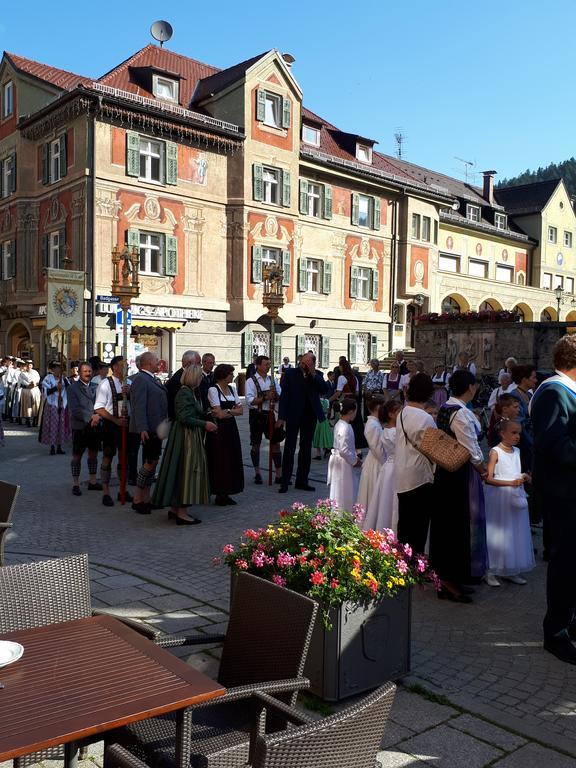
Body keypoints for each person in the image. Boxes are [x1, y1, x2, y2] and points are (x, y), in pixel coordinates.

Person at [531, 335, 576, 664]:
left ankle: (570, 623)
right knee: (564, 563)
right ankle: (556, 632)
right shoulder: (554, 392)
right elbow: (554, 444)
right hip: (564, 494)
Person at [429, 370, 488, 603]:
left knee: (450, 525)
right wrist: (483, 469)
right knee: (456, 526)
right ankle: (449, 581)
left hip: (447, 472)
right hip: (458, 475)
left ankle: (451, 578)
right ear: (471, 387)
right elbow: (471, 448)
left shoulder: (447, 407)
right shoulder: (460, 414)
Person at [153, 364, 217, 525]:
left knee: (179, 470)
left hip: (187, 435)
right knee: (186, 471)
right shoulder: (185, 393)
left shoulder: (189, 392)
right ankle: (182, 513)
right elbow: (184, 417)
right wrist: (205, 424)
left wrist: (206, 413)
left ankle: (175, 510)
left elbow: (189, 412)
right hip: (186, 437)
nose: (202, 379)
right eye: (200, 377)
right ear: (194, 377)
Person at [483, 419, 535, 587]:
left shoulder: (517, 451)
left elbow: (513, 471)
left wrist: (523, 476)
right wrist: (509, 483)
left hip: (515, 496)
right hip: (499, 498)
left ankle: (511, 569)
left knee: (514, 532)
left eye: (519, 433)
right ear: (502, 433)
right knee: (498, 533)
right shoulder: (495, 451)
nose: (517, 436)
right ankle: (492, 570)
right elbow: (489, 478)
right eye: (513, 433)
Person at [395, 373, 437, 554]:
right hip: (420, 476)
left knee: (404, 524)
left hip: (402, 474)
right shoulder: (425, 418)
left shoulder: (402, 413)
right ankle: (415, 568)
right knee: (419, 527)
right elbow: (435, 449)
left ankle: (402, 565)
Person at [278, 352, 329, 493]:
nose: (303, 364)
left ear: (312, 364)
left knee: (306, 449)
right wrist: (281, 417)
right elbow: (284, 396)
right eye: (302, 361)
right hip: (293, 415)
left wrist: (313, 374)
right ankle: (285, 481)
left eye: (307, 362)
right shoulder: (290, 373)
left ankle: (302, 480)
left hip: (310, 416)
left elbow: (325, 390)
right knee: (289, 448)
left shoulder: (317, 374)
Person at [129, 352, 168, 515]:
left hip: (156, 427)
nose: (158, 363)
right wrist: (142, 428)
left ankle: (146, 498)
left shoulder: (151, 378)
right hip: (149, 429)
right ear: (147, 363)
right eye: (155, 361)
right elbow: (138, 406)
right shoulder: (140, 379)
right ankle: (137, 498)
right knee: (150, 462)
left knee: (152, 461)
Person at [94, 355, 132, 507]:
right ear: (115, 367)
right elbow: (99, 407)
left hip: (127, 425)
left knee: (125, 459)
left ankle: (123, 490)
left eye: (127, 366)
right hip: (111, 425)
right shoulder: (105, 384)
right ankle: (106, 492)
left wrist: (130, 394)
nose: (125, 368)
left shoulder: (129, 383)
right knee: (108, 457)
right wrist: (115, 420)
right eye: (123, 365)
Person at [206, 363, 244, 506]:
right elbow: (218, 414)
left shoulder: (232, 389)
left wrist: (227, 411)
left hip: (231, 428)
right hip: (219, 429)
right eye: (230, 374)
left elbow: (240, 411)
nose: (232, 376)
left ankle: (228, 491)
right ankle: (219, 492)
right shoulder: (213, 390)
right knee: (220, 459)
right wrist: (230, 411)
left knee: (231, 458)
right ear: (223, 375)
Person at [363, 399, 402, 533]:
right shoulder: (390, 431)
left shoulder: (387, 429)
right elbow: (378, 449)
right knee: (387, 501)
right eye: (399, 411)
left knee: (386, 499)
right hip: (388, 465)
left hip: (388, 465)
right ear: (391, 414)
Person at [245, 355, 282, 485]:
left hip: (271, 414)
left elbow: (279, 396)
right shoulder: (251, 381)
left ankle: (278, 474)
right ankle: (257, 473)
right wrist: (266, 397)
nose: (268, 367)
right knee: (256, 444)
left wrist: (275, 395)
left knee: (276, 443)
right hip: (257, 415)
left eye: (269, 364)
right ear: (258, 365)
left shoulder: (272, 380)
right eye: (266, 364)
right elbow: (250, 402)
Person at [68, 362, 102, 496]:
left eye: (89, 371)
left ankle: (92, 482)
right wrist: (91, 418)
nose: (88, 373)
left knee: (93, 454)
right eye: (85, 371)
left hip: (95, 426)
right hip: (80, 427)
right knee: (77, 456)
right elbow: (75, 409)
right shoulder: (72, 388)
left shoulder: (97, 386)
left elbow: (102, 403)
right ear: (80, 373)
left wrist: (98, 416)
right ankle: (76, 484)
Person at [328, 398, 362, 511]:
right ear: (350, 412)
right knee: (344, 489)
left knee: (342, 487)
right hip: (344, 463)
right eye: (356, 410)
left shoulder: (341, 424)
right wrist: (355, 460)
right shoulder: (344, 427)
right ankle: (343, 513)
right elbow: (343, 449)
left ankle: (341, 512)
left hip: (341, 460)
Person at [330, 357, 365, 453]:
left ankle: (344, 447)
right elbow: (357, 392)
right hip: (354, 402)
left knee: (344, 424)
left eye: (340, 366)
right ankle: (358, 451)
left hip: (345, 402)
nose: (339, 368)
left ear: (342, 367)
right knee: (356, 424)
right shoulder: (355, 378)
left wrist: (329, 400)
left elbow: (338, 392)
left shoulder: (341, 377)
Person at [356, 395, 386, 510]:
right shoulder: (373, 425)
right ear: (378, 409)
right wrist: (385, 463)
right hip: (376, 462)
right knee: (373, 490)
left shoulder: (375, 423)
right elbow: (377, 448)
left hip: (375, 460)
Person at [508, 364, 537, 472]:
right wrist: (532, 442)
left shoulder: (528, 395)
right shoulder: (514, 395)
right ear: (524, 379)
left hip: (529, 438)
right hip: (522, 442)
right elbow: (518, 421)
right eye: (533, 377)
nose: (535, 380)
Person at [39, 361, 71, 455]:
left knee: (61, 425)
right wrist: (56, 388)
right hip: (52, 404)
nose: (58, 370)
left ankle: (59, 446)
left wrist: (65, 381)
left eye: (60, 368)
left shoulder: (63, 378)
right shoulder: (48, 378)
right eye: (56, 368)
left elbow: (69, 389)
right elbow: (46, 392)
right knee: (53, 425)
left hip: (62, 404)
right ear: (52, 369)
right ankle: (52, 446)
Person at [166, 350, 201, 421]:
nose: (201, 365)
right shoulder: (178, 380)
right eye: (198, 363)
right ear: (189, 363)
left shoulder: (186, 376)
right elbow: (182, 412)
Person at [18, 360, 40, 427]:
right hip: (26, 390)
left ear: (32, 366)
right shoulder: (22, 373)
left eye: (30, 365)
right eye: (27, 365)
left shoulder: (35, 372)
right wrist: (28, 384)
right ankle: (28, 421)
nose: (29, 366)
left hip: (35, 390)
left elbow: (38, 379)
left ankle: (34, 421)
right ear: (25, 366)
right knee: (27, 406)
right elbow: (21, 382)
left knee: (36, 406)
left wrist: (34, 383)